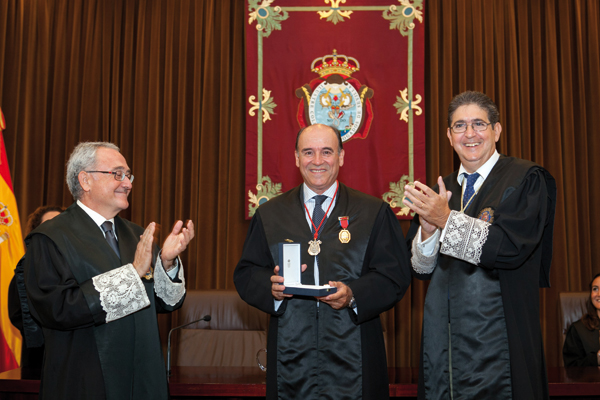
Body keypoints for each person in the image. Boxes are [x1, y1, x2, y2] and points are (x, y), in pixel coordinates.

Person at [234, 124, 411, 400]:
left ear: (341, 156)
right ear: (296, 158)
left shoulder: (373, 212)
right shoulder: (270, 214)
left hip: (355, 355)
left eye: (326, 152)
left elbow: (394, 277)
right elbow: (246, 273)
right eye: (308, 152)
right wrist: (272, 288)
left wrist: (354, 294)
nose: (317, 161)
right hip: (290, 359)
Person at [403, 91, 556, 400]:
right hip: (444, 346)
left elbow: (510, 249)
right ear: (449, 136)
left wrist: (445, 219)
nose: (469, 134)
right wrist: (429, 229)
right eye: (459, 126)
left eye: (478, 124)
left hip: (501, 344)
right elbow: (421, 269)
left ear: (496, 130)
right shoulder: (440, 191)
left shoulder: (526, 179)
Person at [19, 142, 194, 399]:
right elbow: (55, 310)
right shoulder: (49, 238)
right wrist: (132, 273)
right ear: (85, 180)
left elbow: (165, 303)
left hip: (142, 379)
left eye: (128, 175)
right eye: (117, 174)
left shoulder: (137, 234)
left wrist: (166, 263)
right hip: (84, 382)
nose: (128, 183)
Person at [8, 205, 64, 372]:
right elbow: (17, 315)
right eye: (49, 224)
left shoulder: (82, 267)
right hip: (39, 363)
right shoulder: (25, 270)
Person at [563, 273, 600, 366]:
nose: (599, 294)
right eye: (595, 289)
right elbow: (571, 366)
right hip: (591, 379)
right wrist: (597, 359)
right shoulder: (578, 329)